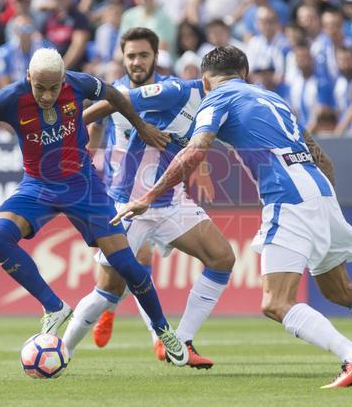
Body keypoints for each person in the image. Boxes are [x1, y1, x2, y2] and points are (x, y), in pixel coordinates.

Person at [114, 45, 352, 388]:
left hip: (286, 195)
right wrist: (321, 206)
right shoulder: (273, 98)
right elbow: (324, 160)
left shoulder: (216, 99)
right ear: (244, 72)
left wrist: (149, 196)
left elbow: (195, 150)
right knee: (340, 289)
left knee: (275, 302)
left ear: (206, 80)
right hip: (318, 188)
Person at [0, 47, 189, 366]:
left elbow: (117, 95)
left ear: (63, 78)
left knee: (128, 266)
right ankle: (53, 306)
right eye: (40, 87)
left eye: (54, 87)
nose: (47, 95)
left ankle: (163, 331)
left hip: (84, 186)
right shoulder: (9, 98)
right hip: (38, 186)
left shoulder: (80, 84)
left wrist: (141, 126)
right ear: (28, 78)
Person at [62, 29, 234, 368]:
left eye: (143, 55)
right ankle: (61, 351)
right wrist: (68, 136)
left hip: (171, 201)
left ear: (156, 55)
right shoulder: (144, 93)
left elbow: (198, 139)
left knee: (222, 258)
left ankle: (179, 342)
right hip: (127, 205)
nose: (137, 61)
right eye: (131, 56)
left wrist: (199, 167)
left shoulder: (198, 99)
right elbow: (107, 113)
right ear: (123, 59)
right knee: (108, 291)